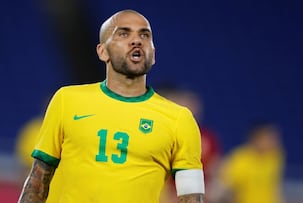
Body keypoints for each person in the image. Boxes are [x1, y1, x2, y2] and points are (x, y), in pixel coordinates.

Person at [18, 9, 204, 203]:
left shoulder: (179, 119)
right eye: (123, 34)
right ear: (102, 51)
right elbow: (37, 182)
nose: (136, 40)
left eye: (144, 35)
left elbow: (192, 197)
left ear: (153, 54)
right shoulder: (66, 100)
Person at [217, 121, 285, 203]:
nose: (274, 142)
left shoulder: (275, 156)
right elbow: (222, 187)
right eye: (269, 138)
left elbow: (275, 186)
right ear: (257, 139)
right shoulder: (240, 160)